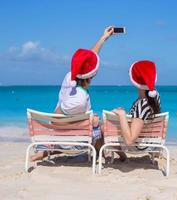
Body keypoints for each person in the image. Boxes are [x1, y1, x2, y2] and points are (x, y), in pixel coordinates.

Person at [30, 26, 114, 161]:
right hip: (74, 141)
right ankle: (104, 155)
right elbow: (55, 118)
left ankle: (44, 152)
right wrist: (91, 123)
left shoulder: (71, 77)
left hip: (61, 136)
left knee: (95, 124)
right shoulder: (78, 100)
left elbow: (87, 59)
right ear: (90, 76)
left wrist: (104, 37)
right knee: (102, 127)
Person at [112, 60, 161, 148]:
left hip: (139, 145)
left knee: (103, 129)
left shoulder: (142, 105)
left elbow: (129, 141)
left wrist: (122, 115)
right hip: (150, 142)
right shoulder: (155, 96)